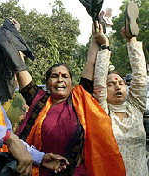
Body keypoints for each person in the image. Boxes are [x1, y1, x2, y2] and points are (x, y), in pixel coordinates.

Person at [15, 43, 126, 175]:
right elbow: (19, 67)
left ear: (72, 84)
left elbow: (90, 63)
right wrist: (14, 40)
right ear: (47, 85)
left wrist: (97, 40)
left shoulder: (80, 100)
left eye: (65, 76)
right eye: (54, 76)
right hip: (38, 171)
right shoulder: (39, 100)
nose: (60, 80)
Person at [82, 2, 148, 175]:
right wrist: (104, 46)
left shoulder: (137, 107)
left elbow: (140, 77)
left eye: (120, 82)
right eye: (110, 84)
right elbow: (98, 83)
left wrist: (131, 40)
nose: (117, 85)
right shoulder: (103, 111)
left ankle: (131, 35)